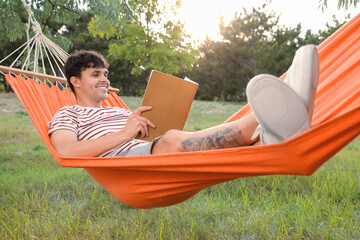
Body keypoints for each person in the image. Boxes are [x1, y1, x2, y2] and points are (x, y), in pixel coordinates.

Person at [48, 46, 319, 157]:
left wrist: (142, 124)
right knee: (171, 139)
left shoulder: (119, 110)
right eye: (95, 74)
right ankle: (277, 113)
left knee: (172, 136)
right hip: (127, 165)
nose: (104, 79)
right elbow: (66, 152)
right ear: (75, 81)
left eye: (105, 74)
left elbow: (139, 137)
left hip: (151, 149)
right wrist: (125, 133)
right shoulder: (68, 113)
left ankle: (270, 134)